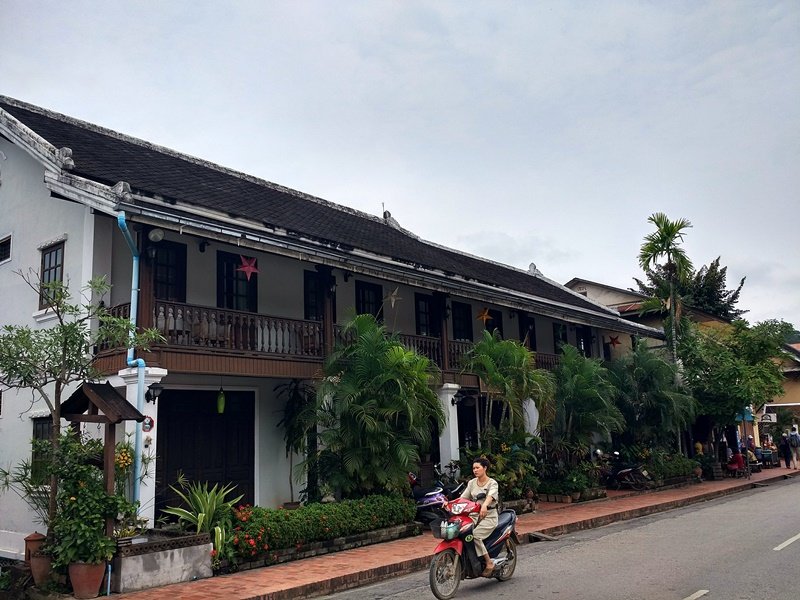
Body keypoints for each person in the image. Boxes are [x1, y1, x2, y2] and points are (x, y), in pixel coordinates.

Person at [460, 457, 499, 577]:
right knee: (461, 531)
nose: (475, 470)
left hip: (489, 516)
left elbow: (491, 496)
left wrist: (485, 506)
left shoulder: (492, 483)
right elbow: (463, 498)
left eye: (478, 468)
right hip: (474, 516)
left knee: (474, 536)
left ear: (485, 468)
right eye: (473, 468)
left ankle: (489, 562)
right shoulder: (472, 483)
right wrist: (449, 504)